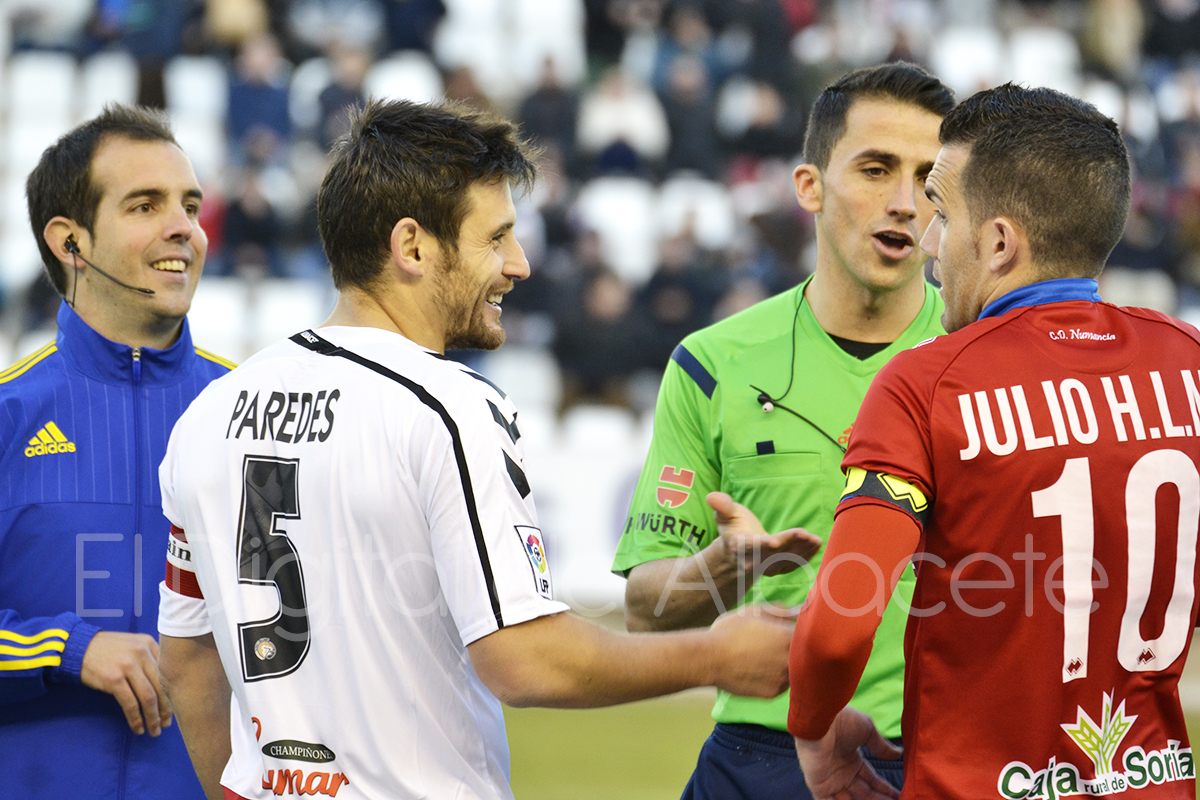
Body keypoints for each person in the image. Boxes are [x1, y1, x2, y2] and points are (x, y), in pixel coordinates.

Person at [155, 99, 795, 800]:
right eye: (497, 238)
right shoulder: (449, 408)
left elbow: (187, 656)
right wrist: (717, 655)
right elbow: (524, 658)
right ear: (412, 246)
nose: (519, 265)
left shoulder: (208, 416)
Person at [785, 84, 1200, 800]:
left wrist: (814, 727)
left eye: (944, 215)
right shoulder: (1187, 360)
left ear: (1000, 244)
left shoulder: (924, 383)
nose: (929, 243)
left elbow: (839, 628)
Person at [610, 62, 954, 800]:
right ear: (810, 186)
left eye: (927, 180)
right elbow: (645, 611)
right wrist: (723, 568)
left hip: (945, 757)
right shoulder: (712, 364)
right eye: (875, 169)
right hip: (759, 760)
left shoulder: (987, 361)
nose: (903, 203)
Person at [0, 104, 231, 798]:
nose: (184, 228)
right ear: (70, 242)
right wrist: (68, 650)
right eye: (145, 205)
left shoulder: (251, 417)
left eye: (189, 205)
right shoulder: (9, 415)